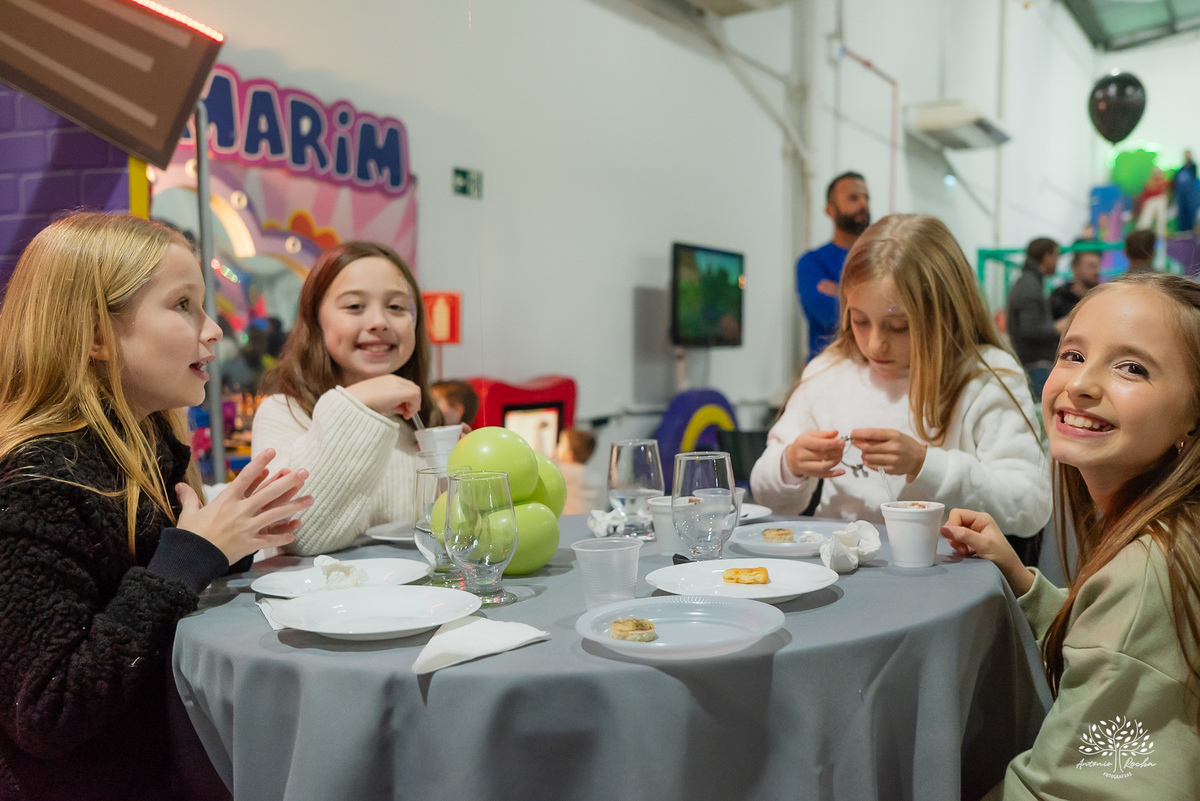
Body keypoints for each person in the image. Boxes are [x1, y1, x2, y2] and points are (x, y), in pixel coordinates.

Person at [0, 213, 309, 800]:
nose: (214, 329)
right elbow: (46, 706)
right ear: (94, 333)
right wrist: (192, 556)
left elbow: (138, 594)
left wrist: (229, 545)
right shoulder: (37, 481)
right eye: (184, 305)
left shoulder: (145, 446)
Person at [942, 272, 1200, 799]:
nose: (1080, 385)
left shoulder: (1148, 574)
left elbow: (1069, 789)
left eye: (1132, 367)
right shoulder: (1165, 540)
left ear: (1192, 421)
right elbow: (1113, 644)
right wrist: (1021, 580)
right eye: (1074, 355)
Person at [751, 215, 1050, 538]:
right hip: (841, 576)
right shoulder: (829, 371)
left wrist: (925, 464)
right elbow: (769, 498)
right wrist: (790, 464)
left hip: (948, 580)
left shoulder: (986, 375)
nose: (876, 343)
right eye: (860, 319)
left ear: (944, 312)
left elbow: (1030, 506)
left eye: (899, 326)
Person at [252, 241, 442, 555]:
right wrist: (356, 405)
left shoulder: (420, 418)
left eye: (396, 307)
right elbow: (297, 536)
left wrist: (459, 480)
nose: (379, 322)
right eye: (355, 307)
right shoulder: (282, 413)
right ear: (316, 320)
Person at [796, 171, 870, 360]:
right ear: (830, 210)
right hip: (827, 371)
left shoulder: (879, 259)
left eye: (866, 198)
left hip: (874, 371)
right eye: (853, 198)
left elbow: (896, 311)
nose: (863, 204)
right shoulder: (810, 263)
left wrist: (842, 292)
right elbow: (830, 316)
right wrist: (872, 297)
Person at [1006, 237, 1066, 400]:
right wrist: (1056, 328)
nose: (1057, 261)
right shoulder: (1029, 286)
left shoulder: (1031, 283)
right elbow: (1029, 329)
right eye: (1056, 256)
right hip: (1034, 366)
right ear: (1046, 257)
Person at [554, 428, 602, 515]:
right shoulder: (591, 475)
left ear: (569, 454)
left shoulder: (567, 471)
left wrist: (537, 431)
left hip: (570, 521)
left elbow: (538, 462)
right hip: (587, 520)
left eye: (560, 443)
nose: (557, 446)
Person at [1049, 243, 1101, 320]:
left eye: (1098, 266)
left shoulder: (1101, 297)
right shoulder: (1059, 298)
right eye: (1091, 266)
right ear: (1075, 267)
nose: (1096, 271)